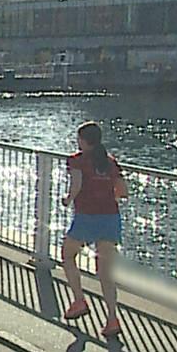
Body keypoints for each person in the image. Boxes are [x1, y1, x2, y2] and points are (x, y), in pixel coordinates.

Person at [61, 120, 128, 337]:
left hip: (87, 217)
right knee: (105, 273)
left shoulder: (77, 160)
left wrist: (67, 199)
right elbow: (123, 191)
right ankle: (112, 319)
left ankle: (79, 300)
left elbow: (77, 185)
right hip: (110, 218)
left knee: (68, 255)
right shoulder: (110, 162)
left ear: (83, 140)